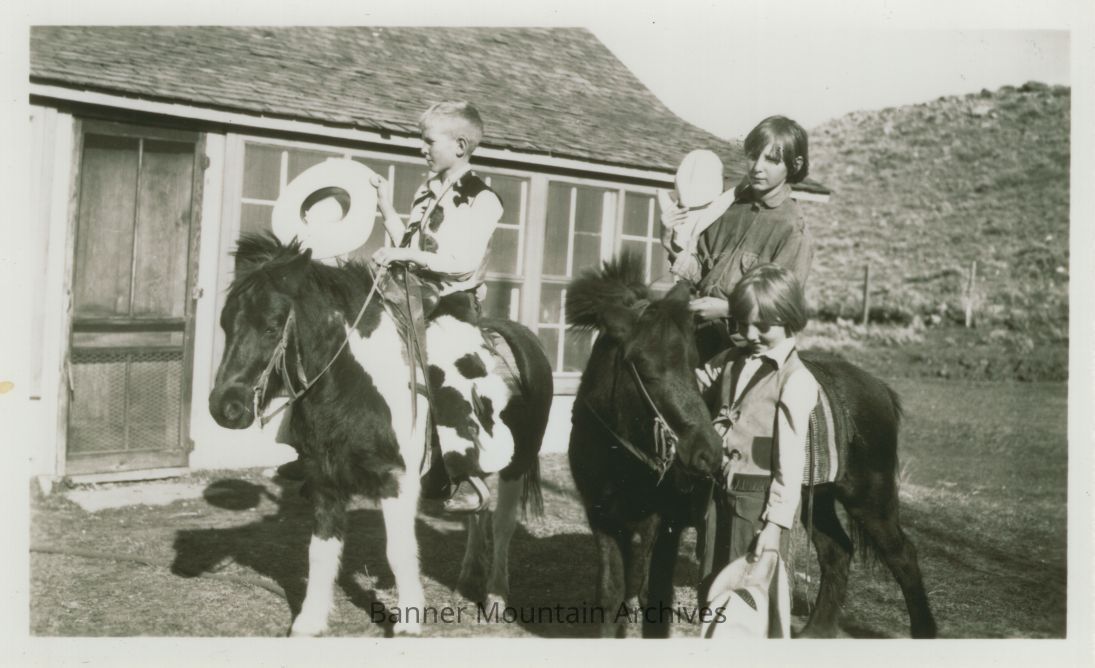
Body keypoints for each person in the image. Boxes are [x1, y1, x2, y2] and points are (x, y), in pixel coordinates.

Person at [368, 100, 507, 514]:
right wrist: (386, 207)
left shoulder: (482, 198)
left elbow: (461, 262)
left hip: (451, 302)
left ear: (461, 145)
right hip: (410, 295)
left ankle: (467, 474)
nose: (420, 148)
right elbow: (409, 243)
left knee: (449, 365)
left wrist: (402, 258)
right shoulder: (428, 190)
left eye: (428, 141)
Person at [695, 263, 819, 638]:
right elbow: (698, 385)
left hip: (755, 499)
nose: (750, 334)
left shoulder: (796, 380)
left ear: (790, 319)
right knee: (712, 584)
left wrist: (775, 524)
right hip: (720, 491)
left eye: (762, 325)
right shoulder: (732, 360)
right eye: (740, 324)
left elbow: (791, 463)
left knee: (746, 591)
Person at [661, 115, 813, 357]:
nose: (757, 167)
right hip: (698, 337)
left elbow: (784, 306)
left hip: (748, 348)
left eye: (771, 160)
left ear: (794, 165)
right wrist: (671, 242)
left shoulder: (792, 227)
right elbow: (699, 272)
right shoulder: (726, 208)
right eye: (753, 155)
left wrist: (727, 309)